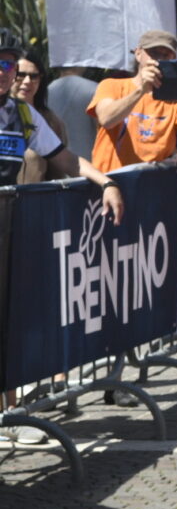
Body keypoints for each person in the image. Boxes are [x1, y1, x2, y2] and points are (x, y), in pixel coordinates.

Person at [0, 32, 124, 446]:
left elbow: (65, 159)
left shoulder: (22, 114)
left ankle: (10, 414)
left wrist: (105, 182)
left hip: (9, 226)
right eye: (0, 65)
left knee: (10, 321)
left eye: (9, 65)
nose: (6, 73)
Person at [87, 30, 177, 173]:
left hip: (153, 186)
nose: (159, 60)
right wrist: (141, 90)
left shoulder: (174, 102)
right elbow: (106, 119)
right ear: (138, 54)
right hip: (110, 185)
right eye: (154, 53)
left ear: (173, 59)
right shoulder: (112, 85)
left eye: (165, 55)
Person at [13, 52, 68, 183]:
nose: (27, 81)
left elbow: (58, 172)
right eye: (20, 75)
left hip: (34, 199)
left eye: (33, 76)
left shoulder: (51, 121)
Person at [46, 65, 99, 160]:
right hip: (88, 163)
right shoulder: (96, 89)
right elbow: (101, 129)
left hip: (56, 163)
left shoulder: (46, 91)